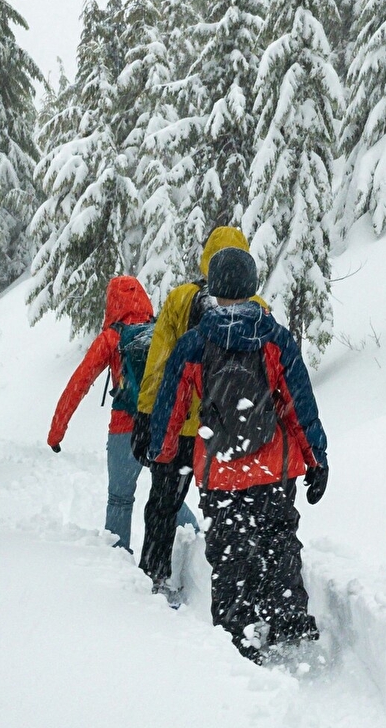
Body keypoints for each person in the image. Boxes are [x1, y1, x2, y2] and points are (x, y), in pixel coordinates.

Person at [149, 247, 329, 660]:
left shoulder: (194, 344)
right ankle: (289, 625)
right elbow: (300, 404)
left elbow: (170, 407)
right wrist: (316, 458)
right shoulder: (276, 339)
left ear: (212, 288)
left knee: (230, 556)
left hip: (220, 472)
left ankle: (238, 637)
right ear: (252, 286)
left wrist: (163, 453)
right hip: (274, 470)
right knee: (279, 543)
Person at [133, 227, 267, 592]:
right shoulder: (258, 309)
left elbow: (159, 364)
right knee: (233, 514)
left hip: (179, 428)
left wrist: (146, 417)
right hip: (229, 432)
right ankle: (237, 591)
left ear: (206, 257)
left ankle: (155, 575)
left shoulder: (180, 299)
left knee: (162, 505)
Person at [47, 275, 191, 551]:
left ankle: (118, 564)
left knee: (120, 499)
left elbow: (78, 384)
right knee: (168, 495)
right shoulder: (161, 330)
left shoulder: (111, 338)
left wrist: (56, 433)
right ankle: (194, 545)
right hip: (160, 427)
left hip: (125, 429)